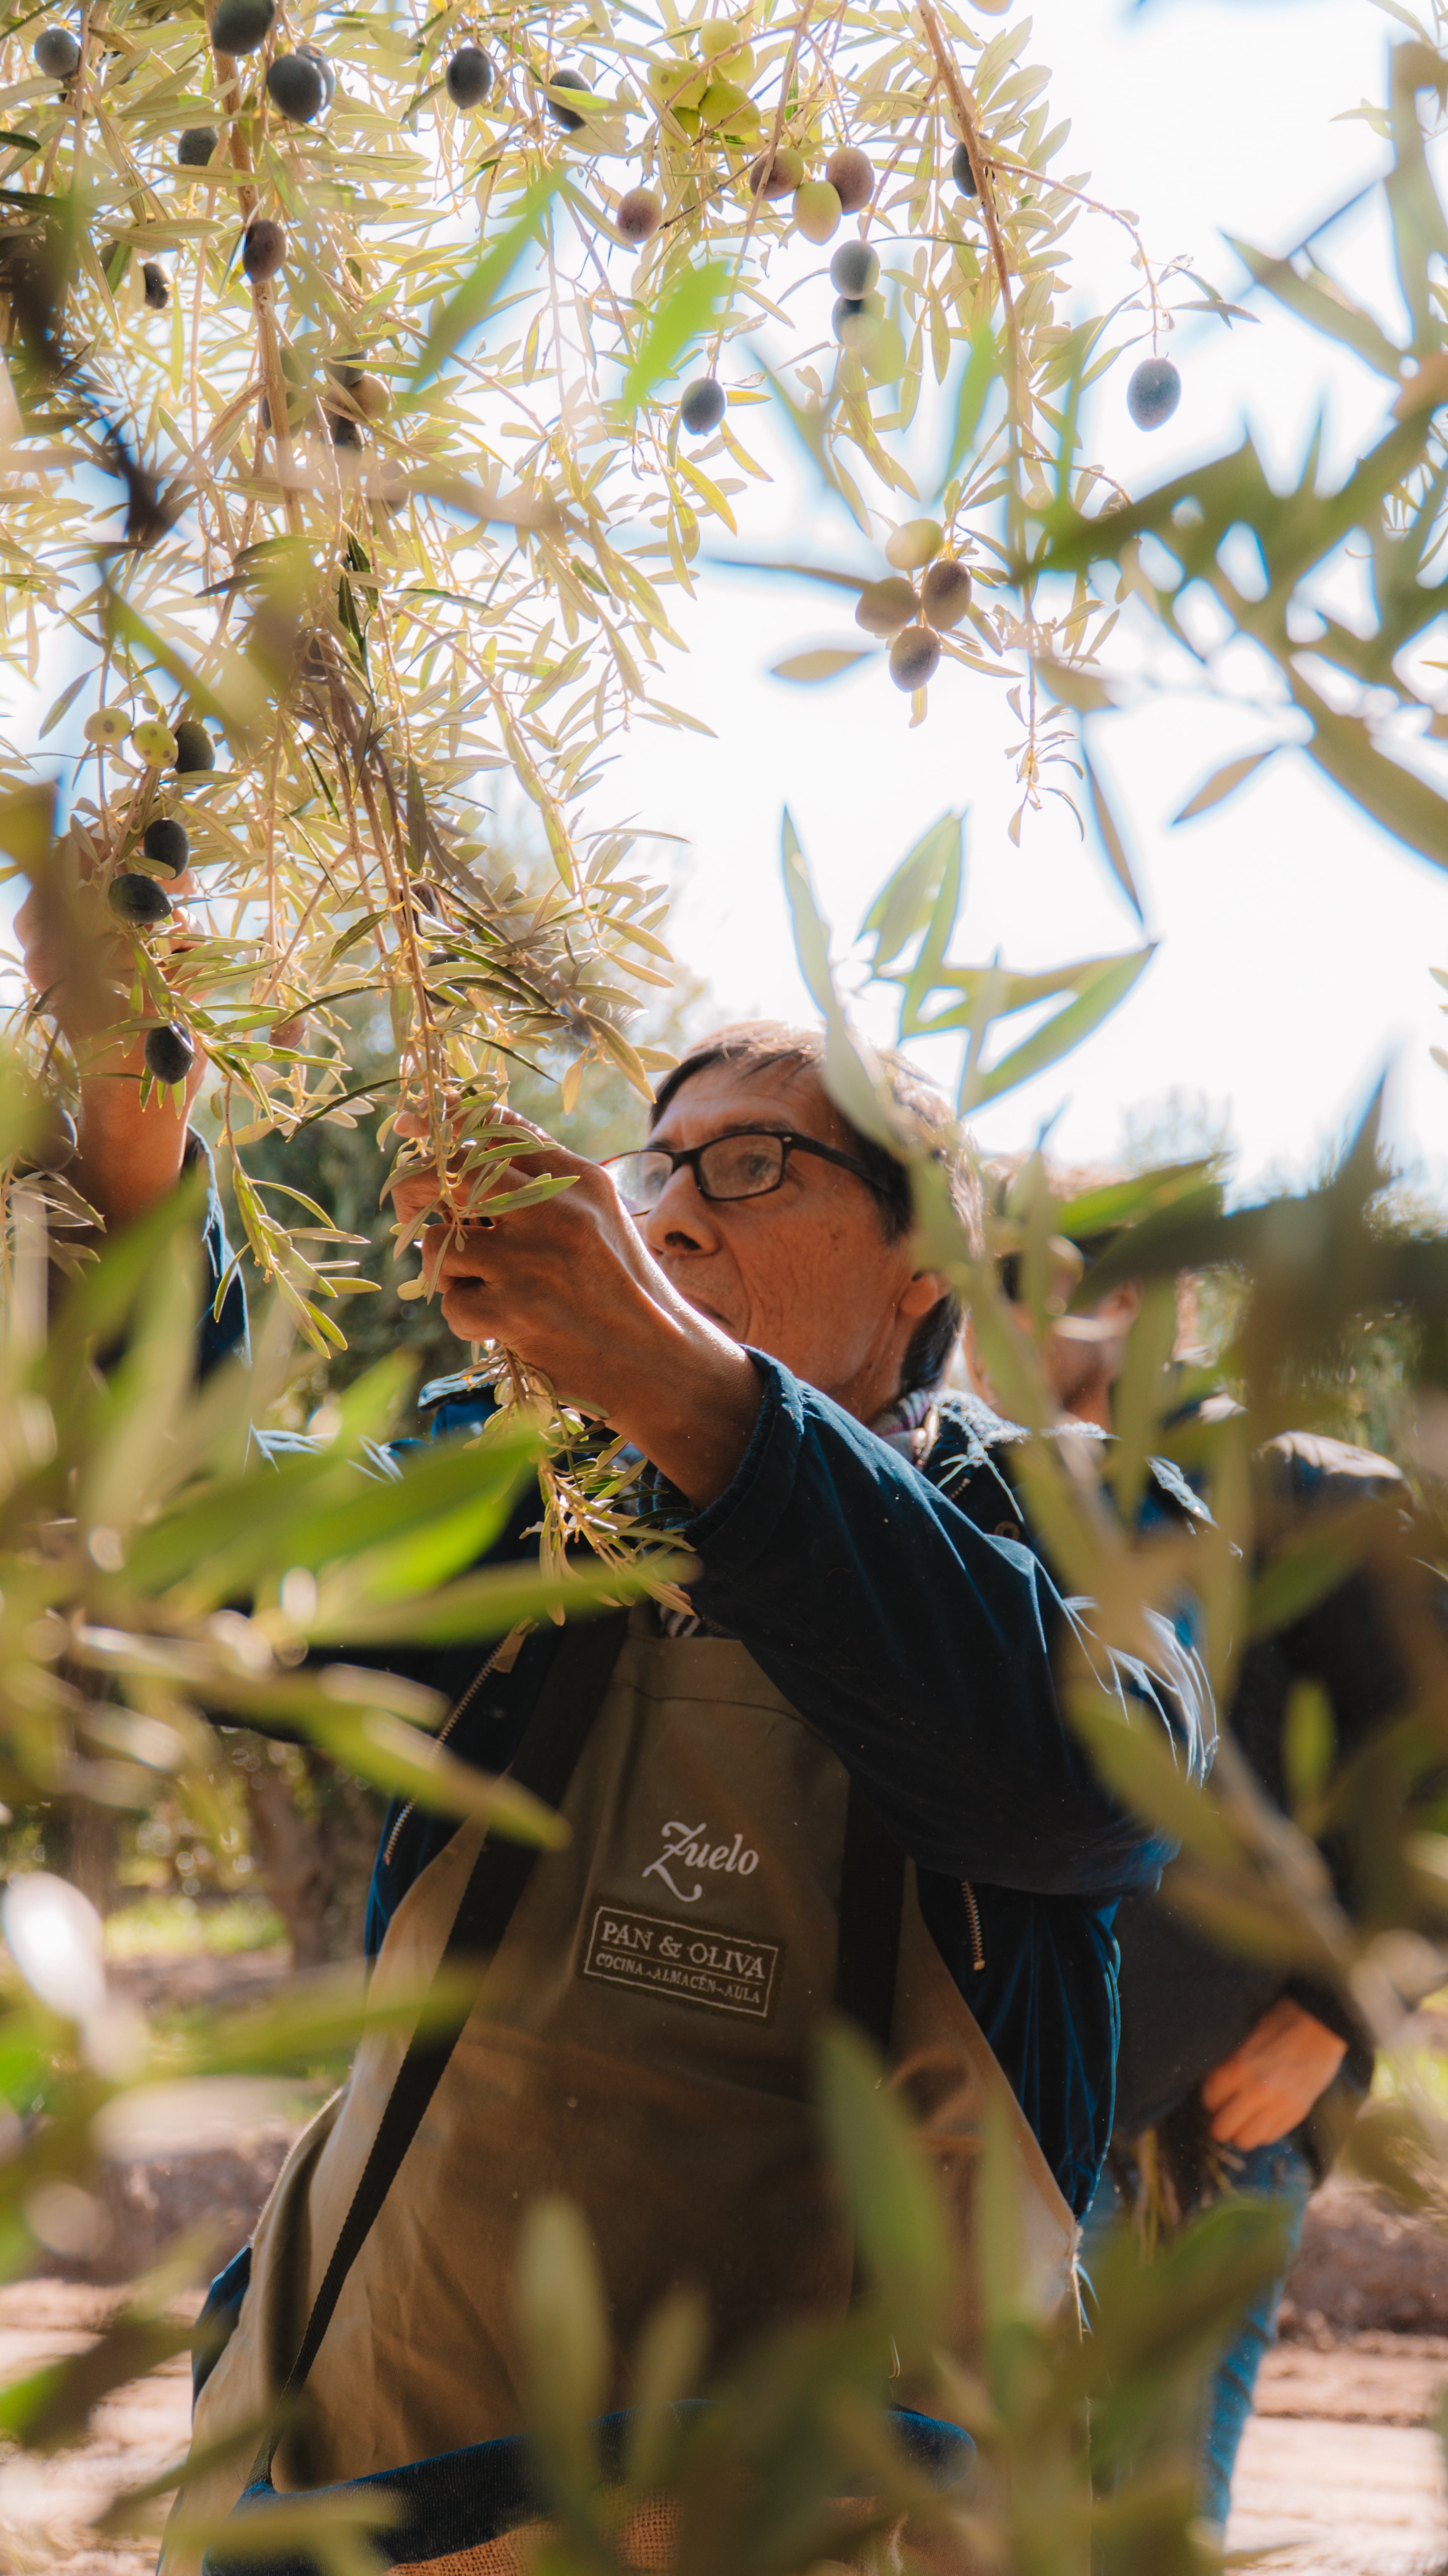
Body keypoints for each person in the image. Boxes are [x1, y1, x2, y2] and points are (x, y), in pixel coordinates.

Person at [20, 900, 1206, 2536]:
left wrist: (676, 1379)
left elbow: (1081, 1789)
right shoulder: (550, 1503)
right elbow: (195, 1541)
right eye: (659, 1167)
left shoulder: (1070, 1519)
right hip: (395, 2468)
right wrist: (137, 1134)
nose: (677, 1207)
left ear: (929, 1251)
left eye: (751, 1165)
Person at [962, 1172, 1396, 2535]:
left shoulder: (1304, 1493)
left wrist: (1337, 2013)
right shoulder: (978, 1499)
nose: (987, 1321)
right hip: (1002, 2116)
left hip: (1206, 2128)